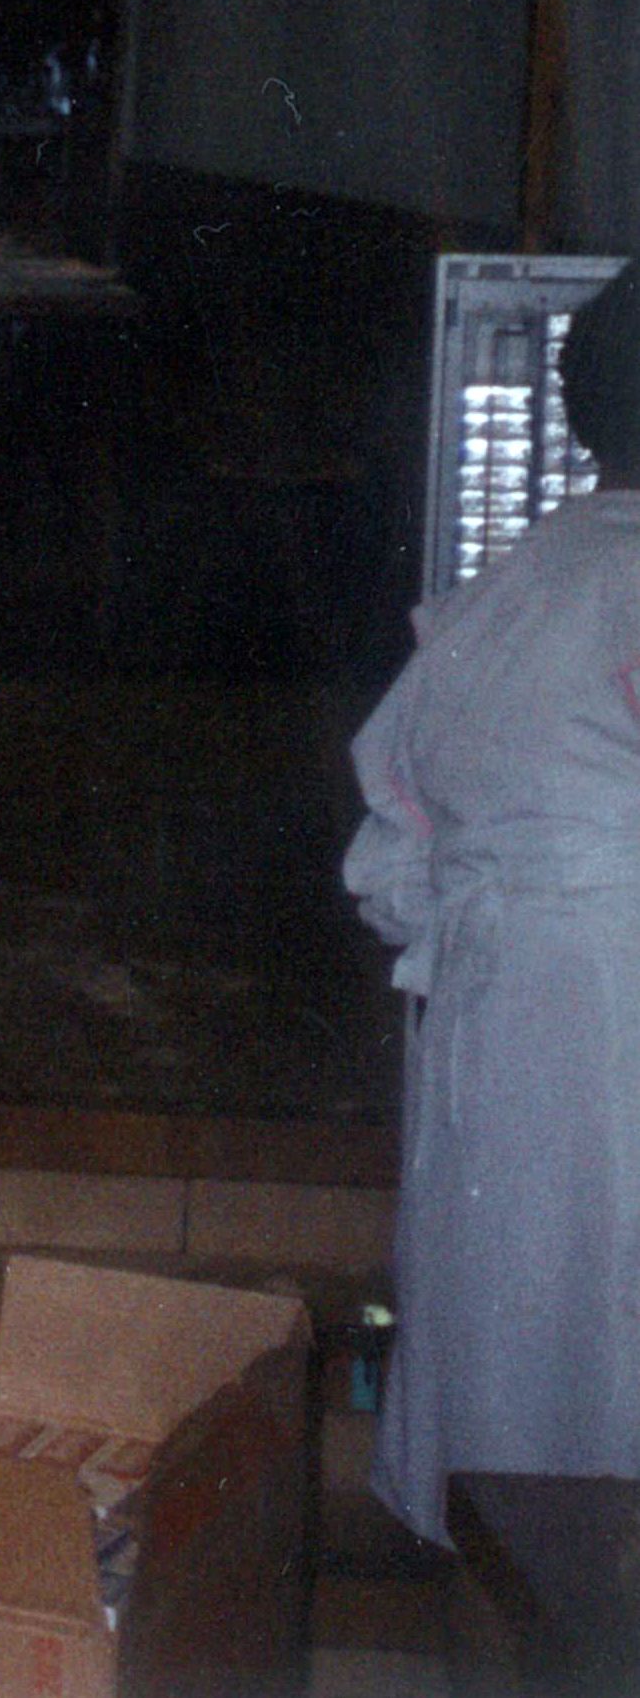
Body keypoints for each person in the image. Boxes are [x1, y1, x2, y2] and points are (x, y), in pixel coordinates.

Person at [347, 260, 640, 1545]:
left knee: (522, 1343)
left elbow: (387, 849)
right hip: (608, 1017)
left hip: (500, 1010)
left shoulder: (523, 574)